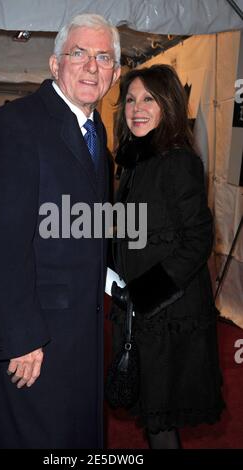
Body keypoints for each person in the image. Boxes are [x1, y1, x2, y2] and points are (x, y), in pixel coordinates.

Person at [0, 13, 121, 449]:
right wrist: (21, 337)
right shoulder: (16, 125)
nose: (92, 67)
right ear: (55, 64)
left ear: (115, 72)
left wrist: (116, 277)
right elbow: (1, 242)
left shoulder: (96, 134)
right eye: (79, 54)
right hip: (34, 341)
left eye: (104, 57)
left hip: (81, 333)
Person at [110, 65, 225, 449]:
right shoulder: (134, 161)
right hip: (142, 312)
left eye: (148, 99)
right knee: (152, 418)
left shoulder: (177, 160)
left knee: (160, 422)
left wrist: (145, 292)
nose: (137, 108)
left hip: (168, 312)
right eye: (130, 99)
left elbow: (198, 238)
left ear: (168, 105)